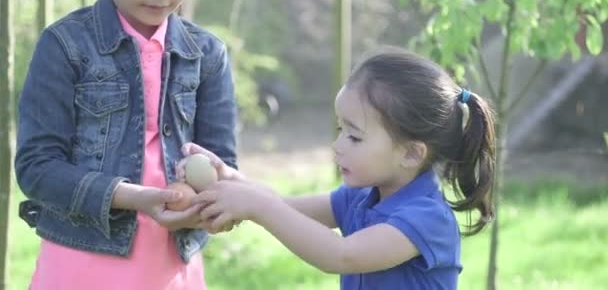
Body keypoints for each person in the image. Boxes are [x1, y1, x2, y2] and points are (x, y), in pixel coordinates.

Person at [14, 0, 238, 289]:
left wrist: (212, 203)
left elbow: (222, 163)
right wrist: (134, 198)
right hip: (80, 265)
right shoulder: (63, 46)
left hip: (172, 271)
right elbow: (37, 167)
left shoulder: (207, 55)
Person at [185, 50, 496, 289]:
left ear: (412, 153)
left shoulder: (426, 219)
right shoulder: (361, 196)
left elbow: (341, 255)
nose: (337, 146)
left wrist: (257, 206)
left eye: (354, 136)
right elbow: (286, 207)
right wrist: (234, 182)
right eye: (339, 129)